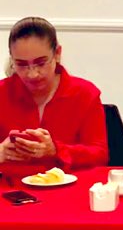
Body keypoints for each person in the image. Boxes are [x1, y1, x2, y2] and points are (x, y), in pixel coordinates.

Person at [0, 17, 108, 170]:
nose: (32, 74)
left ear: (57, 54)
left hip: (70, 182)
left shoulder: (85, 94)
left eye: (41, 63)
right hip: (11, 182)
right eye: (21, 65)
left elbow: (100, 155)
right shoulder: (2, 92)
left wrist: (56, 151)